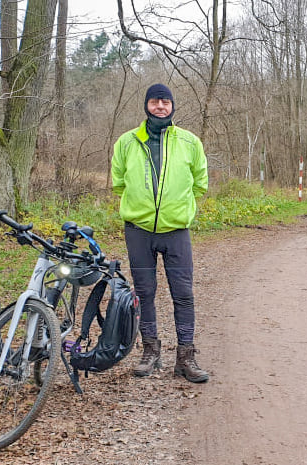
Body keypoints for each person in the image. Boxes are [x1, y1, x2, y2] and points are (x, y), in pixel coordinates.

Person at [111, 83, 209, 383]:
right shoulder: (127, 142)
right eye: (155, 101)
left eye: (166, 102)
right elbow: (118, 182)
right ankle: (150, 352)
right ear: (147, 105)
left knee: (184, 294)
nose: (160, 106)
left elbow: (200, 182)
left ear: (172, 106)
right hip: (138, 231)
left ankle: (186, 357)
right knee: (145, 292)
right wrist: (142, 206)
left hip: (176, 230)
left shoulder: (189, 142)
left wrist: (180, 208)